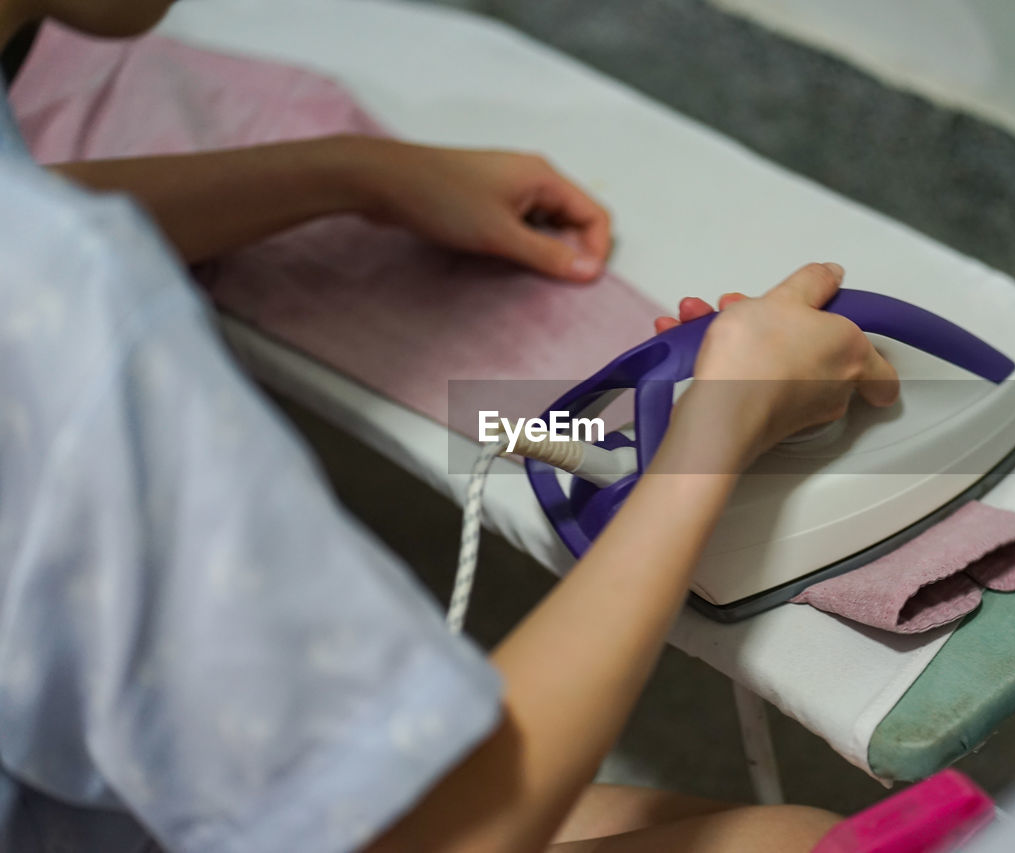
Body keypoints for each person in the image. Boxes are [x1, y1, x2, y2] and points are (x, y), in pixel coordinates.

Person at [0, 1, 899, 851]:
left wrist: (356, 175)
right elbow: (435, 835)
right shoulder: (72, 299)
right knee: (804, 842)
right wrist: (717, 432)